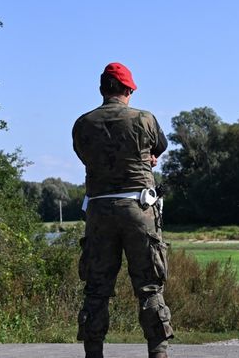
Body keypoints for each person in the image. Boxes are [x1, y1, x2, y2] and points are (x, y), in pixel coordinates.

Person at [72, 62, 173, 358]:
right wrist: (146, 157)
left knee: (96, 289)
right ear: (128, 90)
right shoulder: (144, 119)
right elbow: (160, 145)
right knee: (149, 287)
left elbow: (85, 156)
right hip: (138, 208)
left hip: (99, 210)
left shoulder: (83, 123)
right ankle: (158, 352)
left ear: (102, 89)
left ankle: (93, 353)